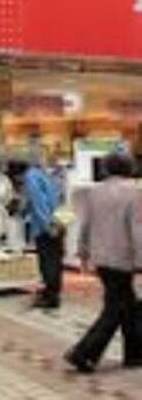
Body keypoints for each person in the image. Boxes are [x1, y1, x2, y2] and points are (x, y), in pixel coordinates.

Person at [65, 152, 142, 373]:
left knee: (129, 307)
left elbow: (86, 224)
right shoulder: (134, 192)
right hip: (124, 258)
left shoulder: (95, 192)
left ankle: (135, 354)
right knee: (116, 309)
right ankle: (83, 353)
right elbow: (138, 229)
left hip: (101, 257)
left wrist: (82, 251)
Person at [23, 152, 63, 308]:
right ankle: (52, 292)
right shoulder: (53, 174)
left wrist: (47, 224)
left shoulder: (33, 175)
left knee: (48, 260)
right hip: (58, 221)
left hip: (45, 225)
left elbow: (38, 202)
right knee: (55, 259)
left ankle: (50, 296)